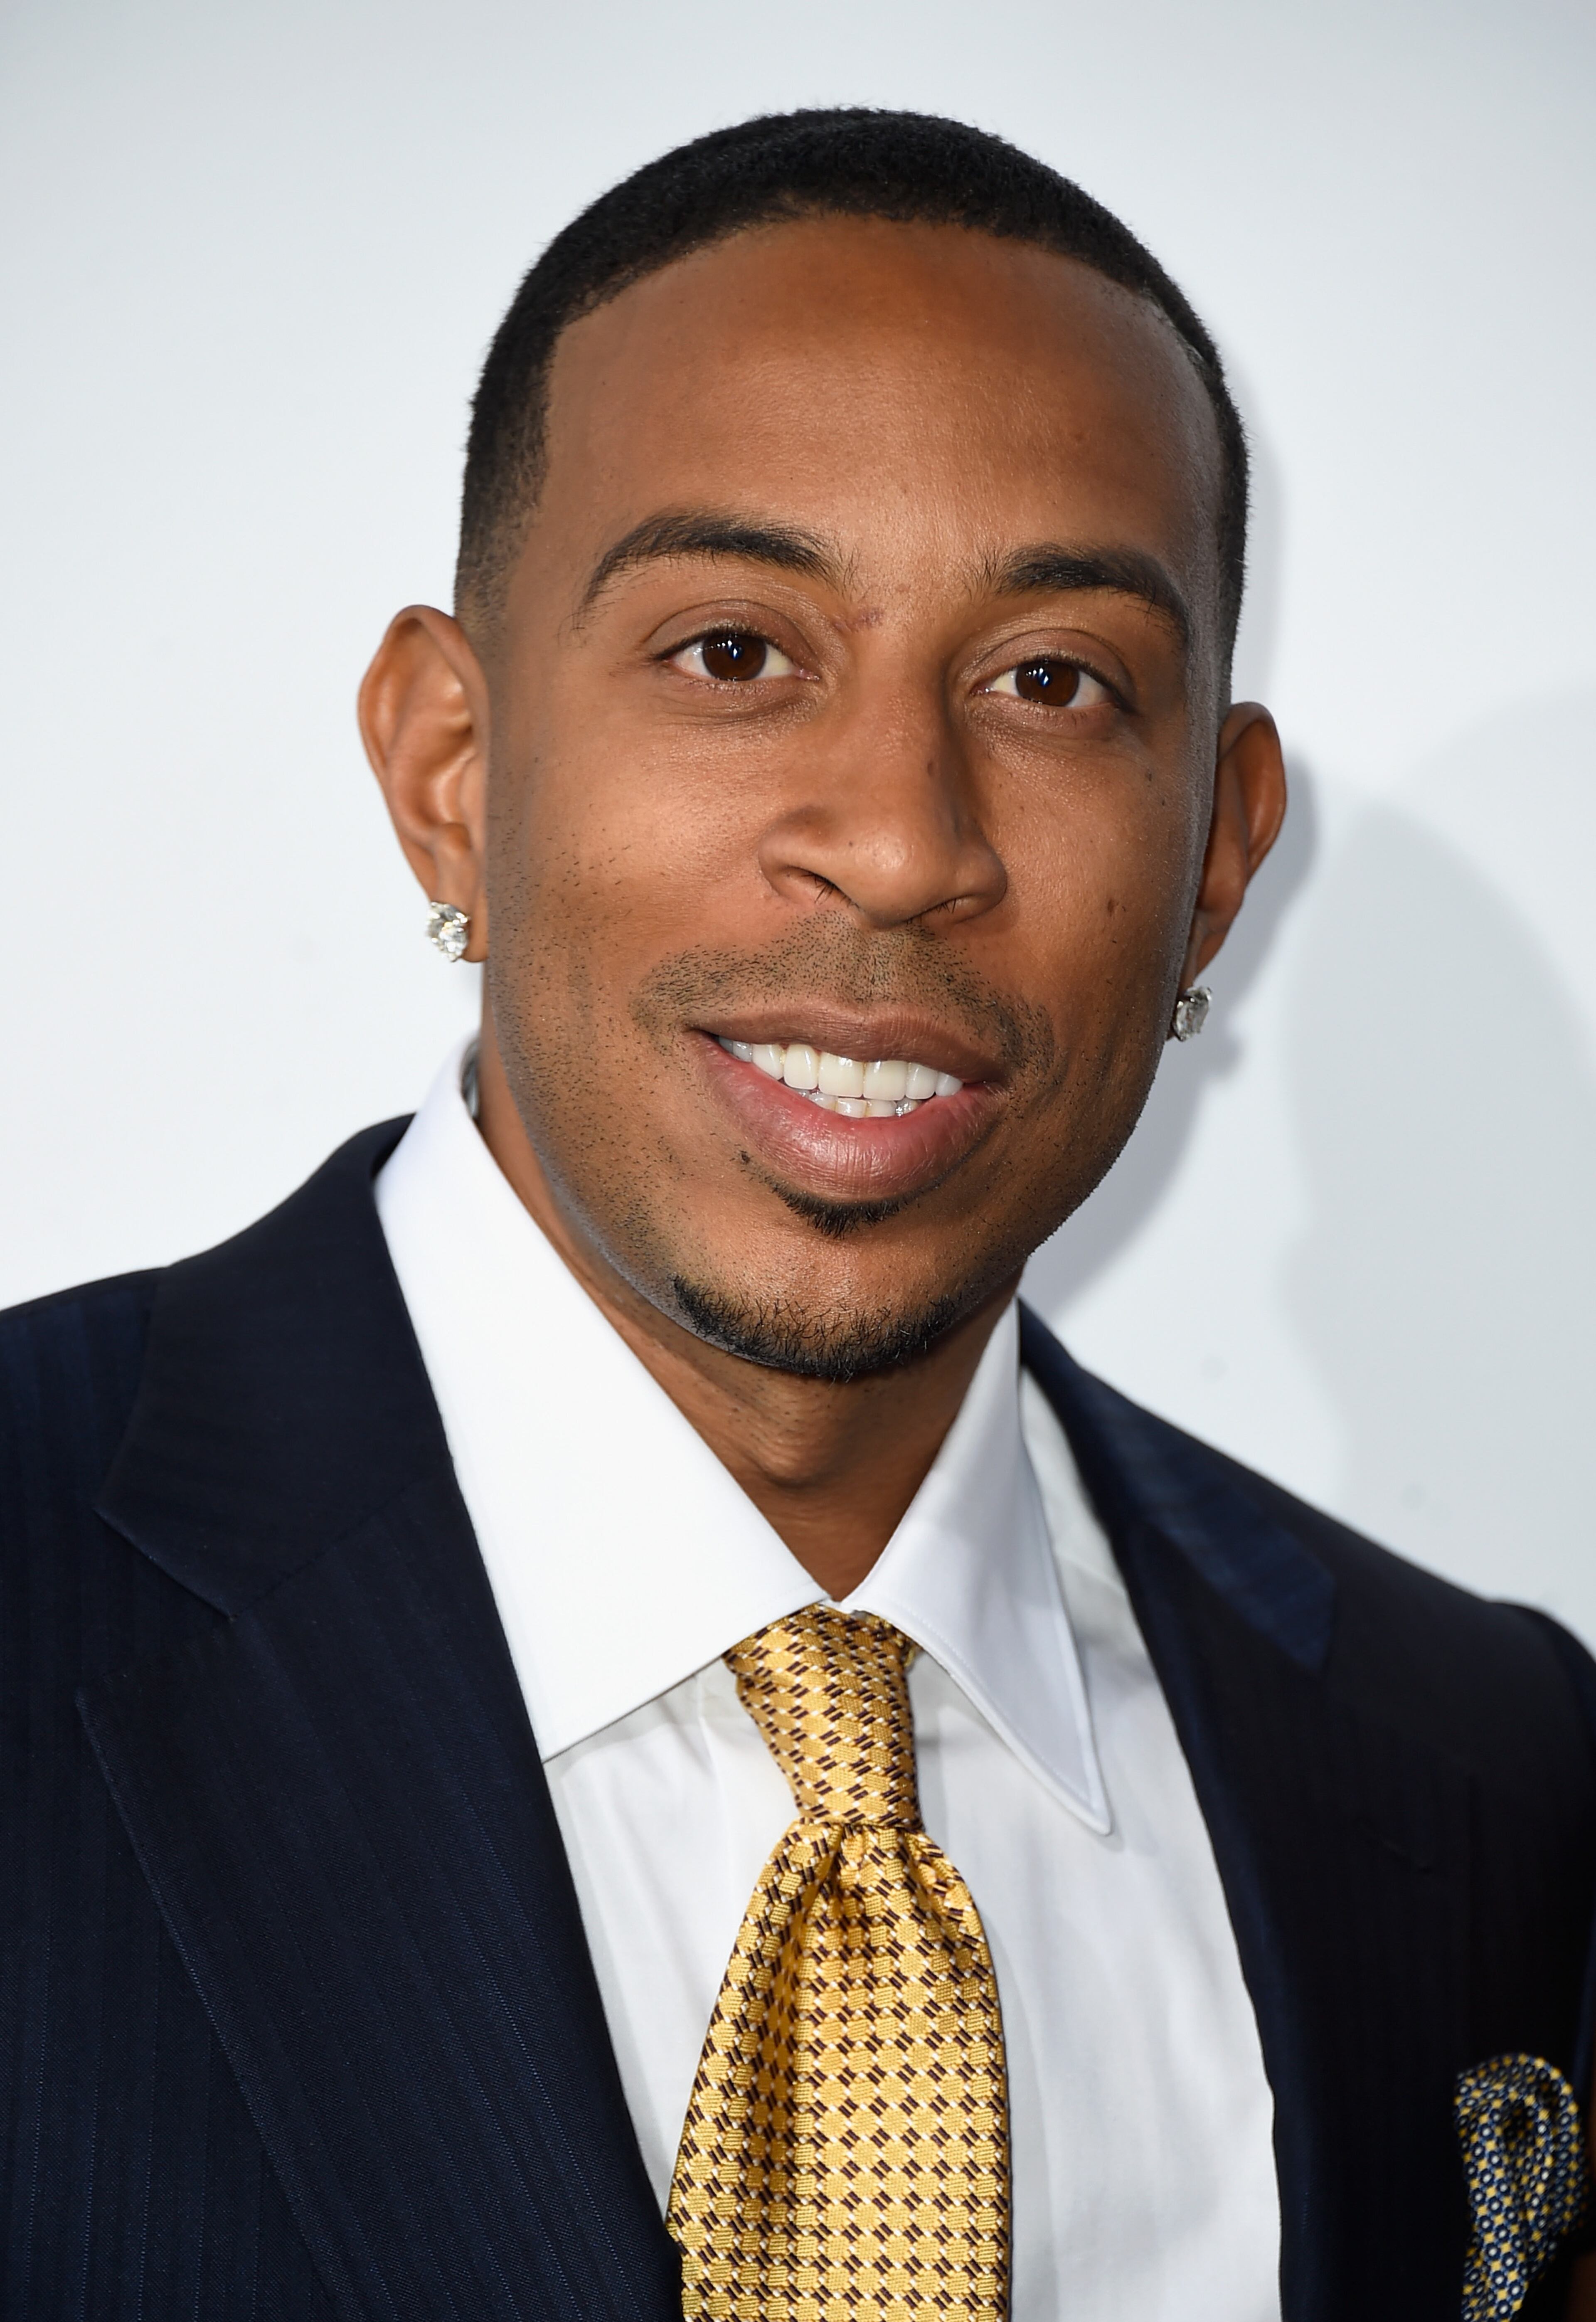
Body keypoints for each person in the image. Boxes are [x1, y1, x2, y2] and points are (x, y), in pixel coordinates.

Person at [3, 107, 1593, 2322]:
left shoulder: (1488, 1769)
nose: (903, 836)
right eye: (737, 652)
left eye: (1053, 682)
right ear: (449, 764)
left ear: (1220, 849)